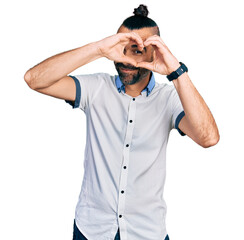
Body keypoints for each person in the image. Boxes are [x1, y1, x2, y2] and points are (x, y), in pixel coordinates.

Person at [24, 4, 220, 240]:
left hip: (147, 233)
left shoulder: (169, 99)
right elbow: (34, 80)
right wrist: (98, 49)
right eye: (121, 49)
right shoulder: (95, 88)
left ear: (154, 53)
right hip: (92, 229)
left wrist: (175, 71)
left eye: (136, 51)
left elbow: (208, 137)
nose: (125, 59)